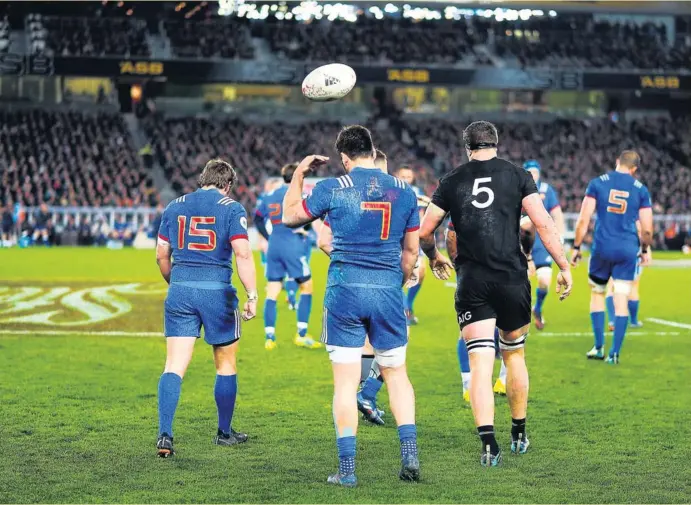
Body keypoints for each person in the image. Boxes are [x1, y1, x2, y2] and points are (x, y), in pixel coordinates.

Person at [419, 121, 572, 467]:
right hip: (511, 278)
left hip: (472, 280)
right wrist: (563, 265)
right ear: (496, 143)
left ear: (467, 146)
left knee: (480, 363)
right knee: (514, 355)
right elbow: (542, 223)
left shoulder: (453, 180)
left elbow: (426, 231)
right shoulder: (518, 176)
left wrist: (433, 257)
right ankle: (518, 433)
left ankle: (489, 444)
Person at [282, 126, 421, 486]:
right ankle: (410, 457)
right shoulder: (405, 193)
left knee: (345, 385)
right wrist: (399, 283)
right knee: (397, 374)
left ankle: (347, 472)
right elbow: (410, 252)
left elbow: (291, 216)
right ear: (373, 151)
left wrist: (299, 174)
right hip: (387, 290)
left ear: (344, 158)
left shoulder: (332, 188)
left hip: (344, 291)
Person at [154, 158, 258, 458]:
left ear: (203, 179)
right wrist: (252, 295)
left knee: (173, 365)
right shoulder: (232, 208)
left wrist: (175, 281)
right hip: (217, 294)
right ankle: (224, 433)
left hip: (181, 291)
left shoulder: (174, 206)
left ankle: (165, 434)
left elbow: (162, 255)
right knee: (225, 364)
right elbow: (243, 254)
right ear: (228, 184)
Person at [318, 148, 390, 426]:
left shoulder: (344, 196)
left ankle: (362, 397)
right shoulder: (393, 196)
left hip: (346, 284)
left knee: (365, 343)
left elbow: (324, 241)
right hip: (383, 281)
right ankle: (366, 395)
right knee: (393, 341)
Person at [571, 150, 653, 364]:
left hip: (602, 248)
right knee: (621, 298)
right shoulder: (641, 190)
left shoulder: (598, 183)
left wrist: (577, 246)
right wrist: (644, 249)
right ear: (634, 168)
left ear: (618, 162)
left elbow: (583, 219)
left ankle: (598, 348)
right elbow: (647, 229)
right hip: (627, 250)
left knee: (598, 294)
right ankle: (614, 353)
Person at [255, 163, 320, 351]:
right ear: (300, 176)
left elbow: (258, 218)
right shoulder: (300, 195)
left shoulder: (269, 196)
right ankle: (301, 334)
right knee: (307, 287)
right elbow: (309, 218)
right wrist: (306, 230)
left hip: (274, 243)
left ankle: (270, 337)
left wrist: (269, 237)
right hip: (292, 243)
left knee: (272, 291)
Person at [521, 160, 565, 331]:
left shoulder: (547, 190)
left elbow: (557, 214)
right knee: (520, 284)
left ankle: (537, 308)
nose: (533, 175)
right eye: (530, 172)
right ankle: (519, 316)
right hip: (522, 244)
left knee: (545, 281)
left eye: (536, 172)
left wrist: (559, 238)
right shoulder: (517, 189)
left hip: (542, 243)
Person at [396, 166, 430, 326]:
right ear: (397, 176)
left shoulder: (416, 193)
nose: (405, 179)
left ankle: (408, 305)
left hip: (412, 238)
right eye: (403, 176)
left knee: (420, 273)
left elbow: (421, 217)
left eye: (408, 176)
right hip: (395, 239)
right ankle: (403, 311)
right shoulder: (391, 192)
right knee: (398, 274)